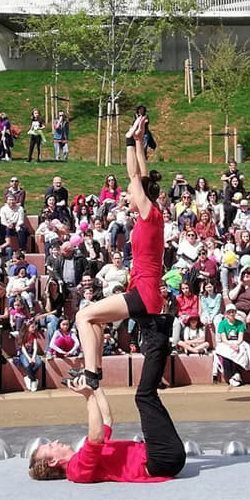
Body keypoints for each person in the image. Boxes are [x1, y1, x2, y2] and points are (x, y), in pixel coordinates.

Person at [28, 315, 185, 483]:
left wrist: (94, 386)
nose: (56, 441)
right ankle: (157, 334)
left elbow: (107, 419)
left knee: (146, 396)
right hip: (160, 461)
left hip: (161, 454)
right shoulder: (76, 470)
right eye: (51, 446)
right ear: (53, 461)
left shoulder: (84, 455)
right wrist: (88, 396)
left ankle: (160, 334)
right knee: (144, 396)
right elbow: (95, 437)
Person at [74, 115, 164, 392]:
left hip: (145, 293)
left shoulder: (150, 215)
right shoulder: (150, 215)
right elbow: (143, 175)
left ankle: (91, 374)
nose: (126, 196)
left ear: (142, 198)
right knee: (94, 321)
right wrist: (139, 142)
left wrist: (127, 140)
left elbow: (135, 176)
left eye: (129, 194)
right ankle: (94, 368)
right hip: (142, 290)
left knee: (83, 316)